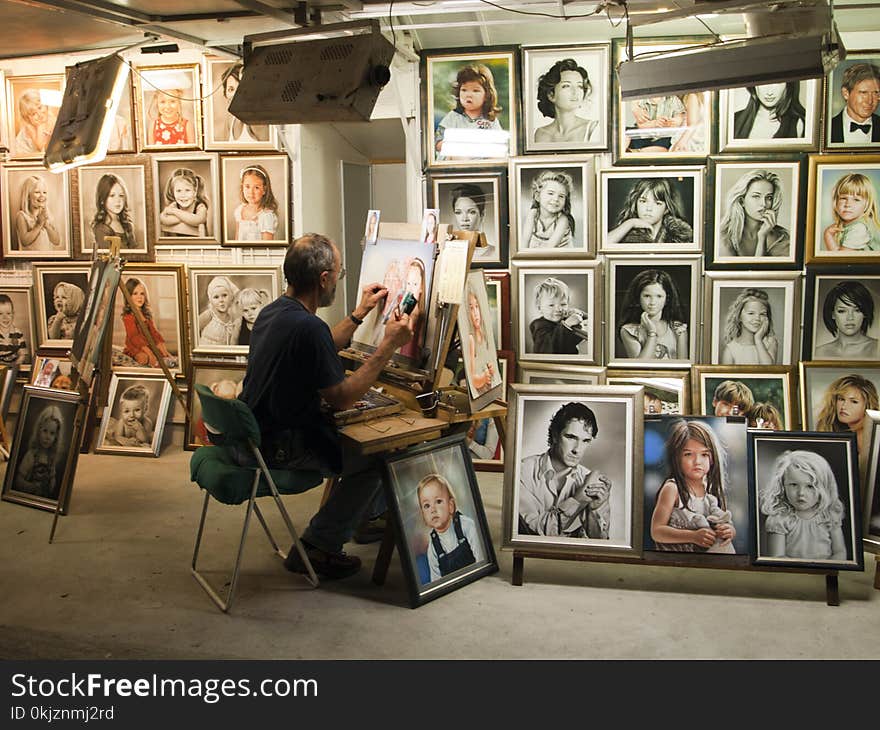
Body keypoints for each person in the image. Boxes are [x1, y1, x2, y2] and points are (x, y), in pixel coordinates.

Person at [238, 232, 417, 579]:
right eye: (339, 273)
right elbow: (342, 396)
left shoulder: (275, 312)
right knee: (378, 456)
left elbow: (319, 346)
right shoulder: (308, 327)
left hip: (254, 437)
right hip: (279, 447)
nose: (339, 278)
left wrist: (358, 314)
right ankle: (319, 547)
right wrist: (388, 347)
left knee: (359, 442)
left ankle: (359, 521)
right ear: (324, 279)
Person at [518, 402, 611, 538]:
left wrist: (594, 510)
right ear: (555, 435)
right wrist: (578, 500)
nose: (577, 450)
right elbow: (535, 534)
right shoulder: (522, 471)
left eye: (585, 441)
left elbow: (600, 545)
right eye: (571, 437)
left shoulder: (590, 480)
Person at [650, 419, 736, 553]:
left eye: (704, 454)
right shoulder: (673, 488)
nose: (697, 461)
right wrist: (692, 536)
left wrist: (729, 531)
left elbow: (724, 521)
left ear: (712, 458)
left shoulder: (711, 490)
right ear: (677, 457)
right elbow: (657, 531)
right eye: (688, 454)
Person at [760, 450, 846, 560]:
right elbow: (777, 556)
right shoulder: (780, 519)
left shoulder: (829, 515)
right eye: (794, 485)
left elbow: (840, 552)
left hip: (823, 572)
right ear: (782, 486)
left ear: (824, 487)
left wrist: (827, 566)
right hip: (792, 574)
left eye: (810, 486)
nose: (801, 493)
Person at [417, 473, 485, 583]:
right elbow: (436, 580)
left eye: (438, 501)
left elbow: (481, 560)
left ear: (450, 506)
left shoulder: (467, 526)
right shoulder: (433, 547)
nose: (432, 509)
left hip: (475, 580)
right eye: (427, 506)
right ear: (423, 515)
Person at [434, 63, 502, 160]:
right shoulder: (453, 117)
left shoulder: (491, 121)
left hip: (482, 166)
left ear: (487, 95)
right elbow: (438, 143)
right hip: (455, 166)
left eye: (475, 91)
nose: (468, 95)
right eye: (464, 90)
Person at [718, 169, 790, 258]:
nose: (764, 204)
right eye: (756, 196)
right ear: (742, 201)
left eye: (769, 197)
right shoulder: (724, 236)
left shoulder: (782, 237)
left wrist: (762, 236)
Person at [618, 269, 688, 360]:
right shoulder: (629, 331)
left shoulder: (678, 329)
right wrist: (652, 333)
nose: (652, 302)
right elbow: (640, 367)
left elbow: (683, 367)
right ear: (638, 297)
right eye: (647, 296)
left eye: (659, 296)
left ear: (667, 299)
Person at [815, 374, 879, 473]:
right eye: (841, 399)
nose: (844, 406)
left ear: (868, 405)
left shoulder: (875, 438)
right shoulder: (836, 437)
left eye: (854, 401)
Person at [606, 178, 693, 245]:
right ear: (635, 203)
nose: (649, 208)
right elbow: (602, 247)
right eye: (643, 201)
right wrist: (631, 223)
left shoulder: (681, 235)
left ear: (666, 209)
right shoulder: (625, 231)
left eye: (657, 203)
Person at [533, 58, 597, 144]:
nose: (575, 92)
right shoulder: (538, 134)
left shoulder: (593, 129)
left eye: (580, 86)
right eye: (566, 86)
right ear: (551, 95)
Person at [815, 280, 879, 360]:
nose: (850, 318)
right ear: (833, 314)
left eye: (857, 310)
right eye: (842, 311)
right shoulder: (819, 352)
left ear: (865, 313)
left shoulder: (877, 348)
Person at [121, 278, 175, 368]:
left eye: (142, 294)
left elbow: (154, 333)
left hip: (148, 344)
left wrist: (164, 351)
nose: (140, 297)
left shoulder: (145, 315)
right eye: (135, 294)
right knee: (144, 358)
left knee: (162, 354)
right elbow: (134, 337)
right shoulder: (128, 317)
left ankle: (163, 358)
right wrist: (150, 353)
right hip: (137, 347)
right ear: (128, 296)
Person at [529, 276, 588, 355]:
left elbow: (591, 321)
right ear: (539, 308)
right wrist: (566, 325)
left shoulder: (565, 317)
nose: (559, 309)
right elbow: (549, 347)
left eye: (563, 304)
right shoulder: (539, 325)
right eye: (551, 305)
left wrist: (579, 313)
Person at [14, 404, 63, 499]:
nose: (47, 437)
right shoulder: (31, 455)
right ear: (38, 431)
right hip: (29, 495)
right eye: (45, 431)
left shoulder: (51, 458)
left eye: (52, 433)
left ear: (56, 437)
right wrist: (32, 487)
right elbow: (18, 480)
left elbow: (52, 478)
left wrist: (51, 485)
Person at [822, 173, 880, 252]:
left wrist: (828, 236)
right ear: (836, 201)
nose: (848, 204)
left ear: (867, 204)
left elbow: (840, 260)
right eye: (843, 198)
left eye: (856, 199)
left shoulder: (859, 228)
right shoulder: (850, 225)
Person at [720, 288, 779, 365]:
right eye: (751, 313)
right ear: (739, 317)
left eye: (762, 314)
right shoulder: (731, 350)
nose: (757, 318)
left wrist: (758, 339)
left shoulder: (770, 342)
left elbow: (769, 371)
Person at [521, 170, 575, 248]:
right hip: (538, 255)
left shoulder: (563, 219)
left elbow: (550, 247)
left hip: (559, 256)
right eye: (550, 193)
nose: (556, 199)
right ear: (538, 196)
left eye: (561, 196)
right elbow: (525, 241)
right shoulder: (533, 214)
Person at [733, 82, 805, 139]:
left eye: (777, 82)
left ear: (788, 85)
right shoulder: (734, 120)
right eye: (762, 82)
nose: (769, 92)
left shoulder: (799, 123)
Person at [829, 62, 880, 144]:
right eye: (863, 93)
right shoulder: (826, 129)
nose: (870, 101)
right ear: (846, 93)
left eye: (876, 93)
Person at [218, 63, 270, 143]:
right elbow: (224, 152)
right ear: (225, 94)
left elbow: (272, 154)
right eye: (231, 89)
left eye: (240, 88)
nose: (236, 94)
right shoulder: (230, 119)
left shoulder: (257, 121)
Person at [463, 283, 499, 397]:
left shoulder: (483, 334)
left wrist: (491, 369)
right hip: (478, 393)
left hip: (487, 392)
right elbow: (473, 379)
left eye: (477, 307)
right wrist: (483, 378)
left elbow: (488, 361)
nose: (476, 313)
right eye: (471, 308)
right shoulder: (470, 339)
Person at [450, 183, 496, 260]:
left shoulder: (494, 252)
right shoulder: (448, 251)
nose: (464, 219)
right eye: (458, 212)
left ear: (482, 214)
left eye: (472, 212)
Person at [15, 175, 61, 252]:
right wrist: (39, 225)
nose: (42, 196)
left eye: (44, 192)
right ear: (28, 195)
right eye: (37, 192)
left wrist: (46, 225)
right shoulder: (22, 216)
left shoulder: (48, 215)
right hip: (30, 261)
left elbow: (56, 241)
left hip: (46, 261)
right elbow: (25, 241)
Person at [233, 165, 279, 241]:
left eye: (256, 187)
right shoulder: (239, 211)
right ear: (242, 187)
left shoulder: (266, 216)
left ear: (264, 190)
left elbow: (267, 247)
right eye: (247, 187)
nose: (251, 192)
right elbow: (237, 238)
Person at [159, 168, 209, 238]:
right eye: (178, 191)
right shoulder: (174, 205)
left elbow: (199, 220)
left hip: (199, 246)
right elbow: (162, 218)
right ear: (173, 192)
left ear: (195, 192)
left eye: (187, 190)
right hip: (178, 245)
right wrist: (188, 218)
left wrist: (175, 212)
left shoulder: (200, 206)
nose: (183, 195)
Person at [91, 173, 136, 250]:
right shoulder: (101, 229)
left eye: (121, 195)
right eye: (112, 195)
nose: (118, 201)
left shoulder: (127, 225)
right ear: (102, 199)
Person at [198, 275, 241, 347]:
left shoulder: (231, 317)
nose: (221, 300)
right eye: (216, 297)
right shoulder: (209, 315)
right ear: (211, 300)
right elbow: (193, 330)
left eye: (224, 295)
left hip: (223, 355)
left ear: (231, 297)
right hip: (207, 353)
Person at [397, 258, 426, 362]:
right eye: (408, 283)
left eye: (415, 284)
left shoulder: (421, 313)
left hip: (411, 360)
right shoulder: (400, 306)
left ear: (421, 287)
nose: (410, 289)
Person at [14, 88, 56, 156]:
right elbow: (41, 147)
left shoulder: (53, 120)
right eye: (33, 114)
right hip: (27, 159)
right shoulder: (29, 128)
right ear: (27, 118)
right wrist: (40, 126)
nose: (39, 114)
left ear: (46, 105)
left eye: (40, 108)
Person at [110, 384, 154, 448]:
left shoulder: (147, 422)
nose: (132, 415)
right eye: (127, 411)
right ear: (121, 411)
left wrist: (140, 429)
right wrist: (126, 441)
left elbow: (145, 440)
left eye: (137, 410)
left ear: (145, 409)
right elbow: (117, 437)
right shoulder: (122, 423)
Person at [0, 294, 28, 367]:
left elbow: (22, 354)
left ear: (13, 314)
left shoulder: (17, 333)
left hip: (13, 368)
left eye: (8, 313)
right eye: (0, 314)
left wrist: (15, 366)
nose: (5, 317)